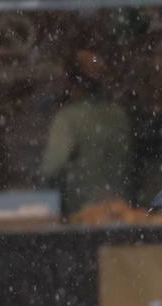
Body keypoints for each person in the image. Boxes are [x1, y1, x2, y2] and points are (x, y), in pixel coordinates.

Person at [38, 48, 133, 216]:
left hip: (82, 211)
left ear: (71, 83)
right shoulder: (119, 114)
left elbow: (51, 167)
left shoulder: (67, 118)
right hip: (120, 208)